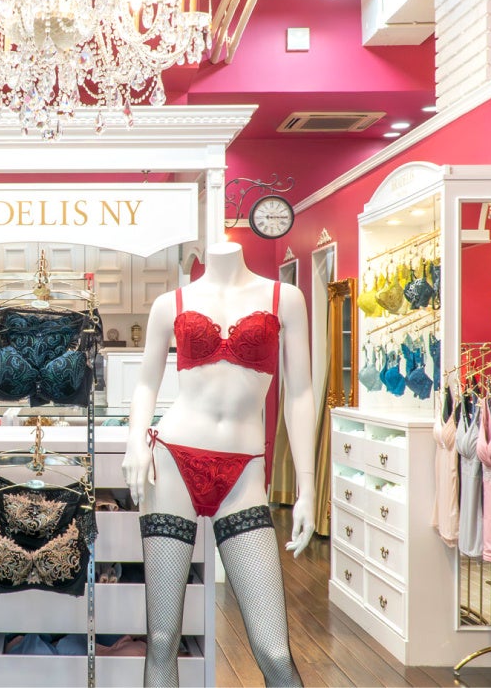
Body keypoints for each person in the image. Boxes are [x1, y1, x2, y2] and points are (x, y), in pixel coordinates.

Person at [122, 242, 316, 687]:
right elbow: (146, 384)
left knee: (274, 650)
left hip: (244, 472)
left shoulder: (284, 298)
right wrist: (136, 439)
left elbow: (300, 393)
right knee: (162, 639)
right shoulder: (170, 304)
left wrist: (306, 487)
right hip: (173, 462)